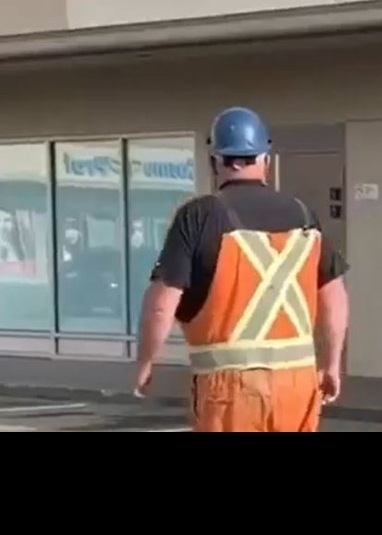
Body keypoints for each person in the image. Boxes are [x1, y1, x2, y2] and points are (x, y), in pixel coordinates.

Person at [133, 106, 350, 432]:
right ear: (266, 158)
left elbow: (162, 302)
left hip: (230, 390)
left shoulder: (199, 216)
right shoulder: (304, 216)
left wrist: (146, 361)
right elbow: (334, 296)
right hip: (299, 384)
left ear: (216, 159)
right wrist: (332, 364)